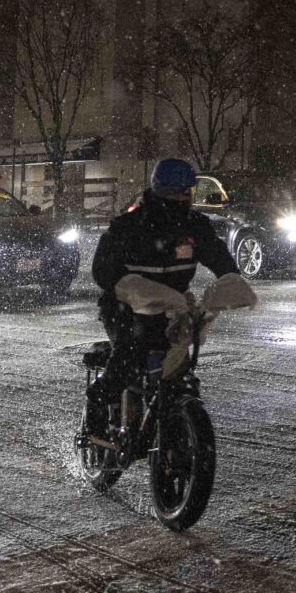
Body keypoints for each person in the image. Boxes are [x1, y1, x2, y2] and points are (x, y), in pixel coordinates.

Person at [87, 158, 254, 420]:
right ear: (159, 191)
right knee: (129, 355)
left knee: (179, 369)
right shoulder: (129, 226)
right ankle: (100, 399)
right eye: (176, 192)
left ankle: (178, 426)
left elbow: (219, 258)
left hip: (172, 311)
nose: (182, 197)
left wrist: (230, 280)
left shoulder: (195, 226)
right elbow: (103, 270)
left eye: (187, 191)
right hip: (127, 309)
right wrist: (130, 288)